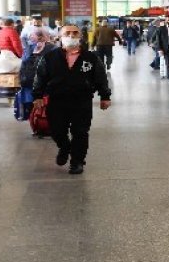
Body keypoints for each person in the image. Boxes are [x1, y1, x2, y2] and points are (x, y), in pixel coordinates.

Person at [33, 25, 111, 174]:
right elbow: (40, 77)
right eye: (67, 33)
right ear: (60, 37)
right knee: (56, 130)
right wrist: (37, 96)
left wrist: (105, 96)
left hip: (82, 100)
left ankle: (77, 162)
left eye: (75, 33)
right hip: (57, 100)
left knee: (80, 132)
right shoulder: (50, 57)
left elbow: (101, 77)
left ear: (80, 36)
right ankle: (64, 147)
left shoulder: (91, 57)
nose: (71, 35)